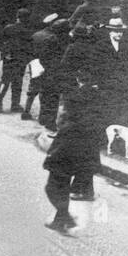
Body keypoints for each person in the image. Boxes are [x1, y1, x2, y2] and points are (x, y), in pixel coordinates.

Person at [42, 67, 103, 234]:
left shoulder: (74, 98)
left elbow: (63, 122)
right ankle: (60, 220)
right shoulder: (98, 98)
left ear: (78, 78)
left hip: (66, 149)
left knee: (52, 187)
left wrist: (53, 151)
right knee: (63, 185)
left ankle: (64, 218)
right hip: (83, 152)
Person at [0, 8, 33, 113]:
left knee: (5, 80)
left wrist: (4, 52)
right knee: (17, 82)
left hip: (9, 58)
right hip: (21, 60)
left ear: (17, 17)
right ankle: (15, 104)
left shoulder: (9, 28)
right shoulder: (28, 31)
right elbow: (30, 47)